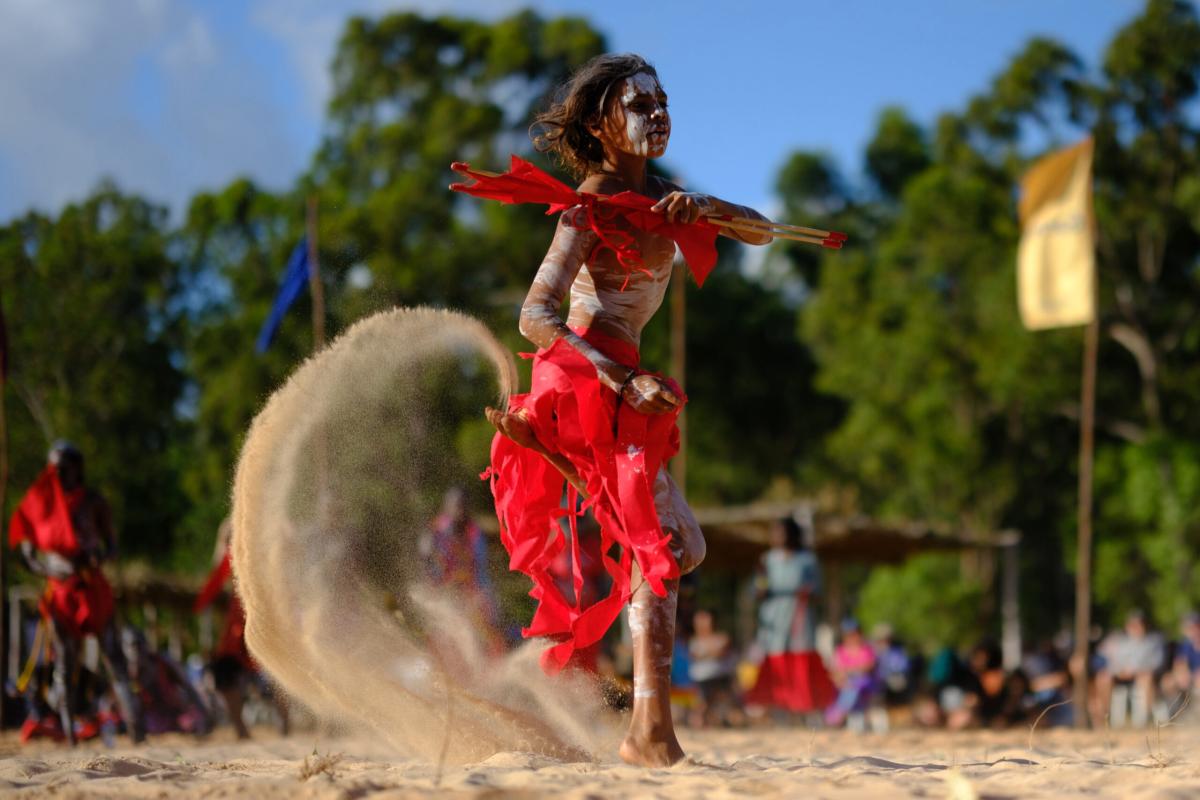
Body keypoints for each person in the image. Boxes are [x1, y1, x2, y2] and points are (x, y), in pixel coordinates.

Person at [482, 53, 773, 766]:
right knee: (661, 544)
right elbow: (534, 316)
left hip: (622, 381)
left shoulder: (669, 198)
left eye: (663, 100)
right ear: (599, 126)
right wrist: (621, 381)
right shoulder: (588, 206)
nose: (659, 113)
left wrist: (709, 209)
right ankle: (650, 732)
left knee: (685, 547)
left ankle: (639, 725)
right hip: (585, 381)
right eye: (640, 105)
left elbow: (765, 233)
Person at [8, 441, 143, 744]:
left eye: (63, 467)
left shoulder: (93, 501)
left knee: (114, 659)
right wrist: (48, 570)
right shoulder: (39, 505)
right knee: (65, 663)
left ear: (77, 468)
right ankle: (70, 736)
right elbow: (28, 555)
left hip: (92, 589)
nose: (57, 473)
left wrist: (98, 558)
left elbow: (112, 546)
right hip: (61, 594)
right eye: (53, 468)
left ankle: (137, 731)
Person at [744, 517, 836, 718]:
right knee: (775, 655)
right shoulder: (767, 559)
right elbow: (757, 589)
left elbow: (818, 590)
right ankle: (778, 705)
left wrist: (804, 592)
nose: (777, 536)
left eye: (781, 532)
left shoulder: (807, 560)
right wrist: (761, 586)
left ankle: (804, 706)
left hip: (798, 614)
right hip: (774, 616)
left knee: (800, 654)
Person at [1096, 610, 1165, 728]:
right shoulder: (1121, 642)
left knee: (1146, 678)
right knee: (1103, 678)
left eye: (1138, 624)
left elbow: (1157, 663)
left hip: (1144, 676)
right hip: (1122, 677)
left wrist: (1136, 670)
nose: (1135, 628)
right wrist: (1120, 671)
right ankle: (1106, 717)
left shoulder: (1154, 641)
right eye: (1132, 625)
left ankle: (1145, 719)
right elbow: (1113, 663)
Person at [687, 609, 742, 728]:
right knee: (702, 705)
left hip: (721, 677)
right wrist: (712, 652)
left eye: (705, 620)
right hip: (703, 679)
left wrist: (706, 653)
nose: (702, 624)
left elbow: (721, 652)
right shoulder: (694, 640)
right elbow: (696, 655)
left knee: (730, 703)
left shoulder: (722, 637)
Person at [825, 619, 878, 728]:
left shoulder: (866, 649)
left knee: (853, 688)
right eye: (849, 635)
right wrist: (841, 678)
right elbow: (834, 671)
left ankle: (838, 715)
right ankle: (839, 715)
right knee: (848, 689)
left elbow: (869, 667)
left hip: (864, 684)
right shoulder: (839, 651)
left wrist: (848, 671)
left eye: (854, 634)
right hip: (844, 685)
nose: (852, 637)